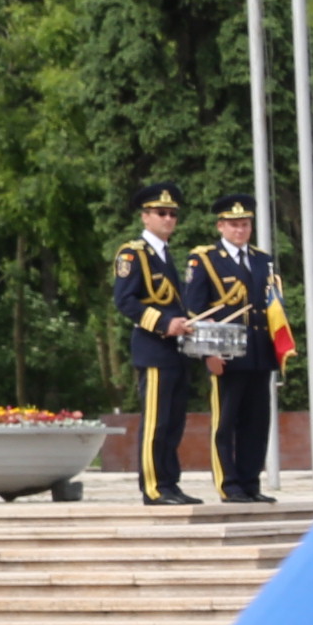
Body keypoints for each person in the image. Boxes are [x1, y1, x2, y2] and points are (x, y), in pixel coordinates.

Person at [181, 192, 290, 504]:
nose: (239, 230)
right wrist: (208, 353)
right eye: (233, 224)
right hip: (225, 356)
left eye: (244, 224)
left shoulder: (261, 260)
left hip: (258, 353)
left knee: (256, 423)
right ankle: (229, 484)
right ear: (220, 226)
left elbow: (269, 309)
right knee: (227, 422)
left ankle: (250, 482)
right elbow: (196, 310)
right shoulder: (204, 259)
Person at [112, 178, 210, 507]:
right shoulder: (133, 254)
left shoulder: (167, 255)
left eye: (172, 214)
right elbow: (125, 301)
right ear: (145, 216)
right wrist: (166, 323)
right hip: (153, 350)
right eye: (161, 212)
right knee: (156, 422)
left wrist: (192, 321)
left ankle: (170, 483)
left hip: (176, 352)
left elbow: (174, 303)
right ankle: (154, 487)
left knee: (172, 423)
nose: (168, 219)